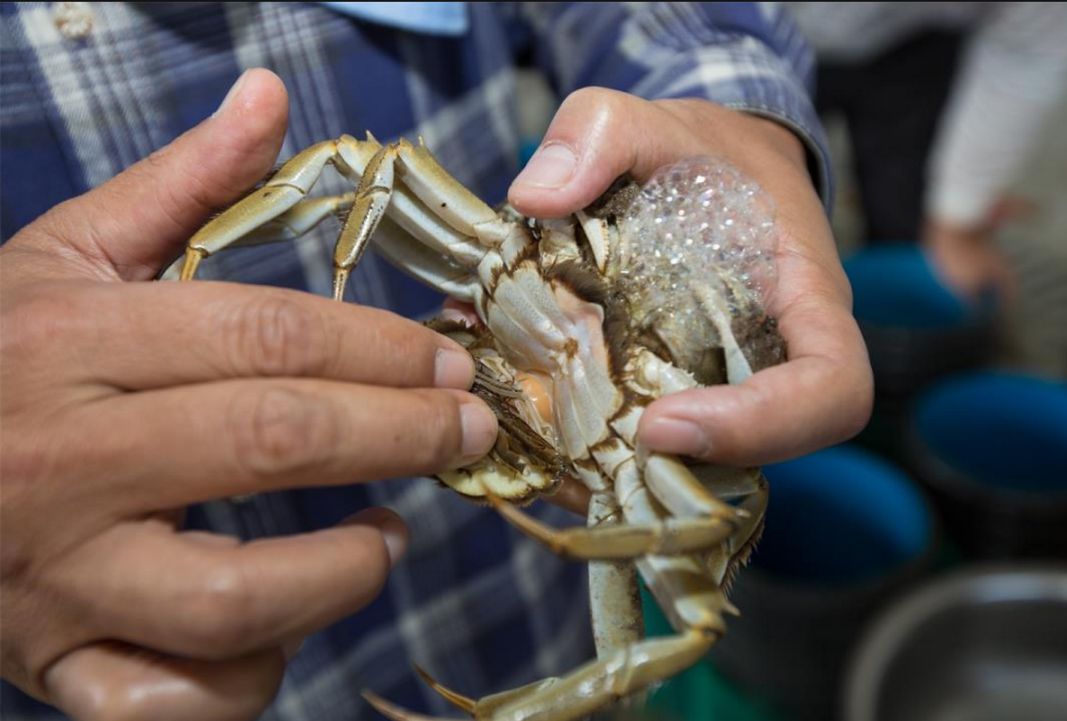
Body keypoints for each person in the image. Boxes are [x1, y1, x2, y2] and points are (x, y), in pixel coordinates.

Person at [0, 3, 872, 720]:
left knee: (658, 639)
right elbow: (360, 173)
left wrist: (730, 109)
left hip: (522, 572)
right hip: (83, 640)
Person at [787, 2, 1067, 303]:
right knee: (770, 202)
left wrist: (956, 220)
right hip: (769, 35)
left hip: (912, 45)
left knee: (909, 220)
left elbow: (1026, 58)